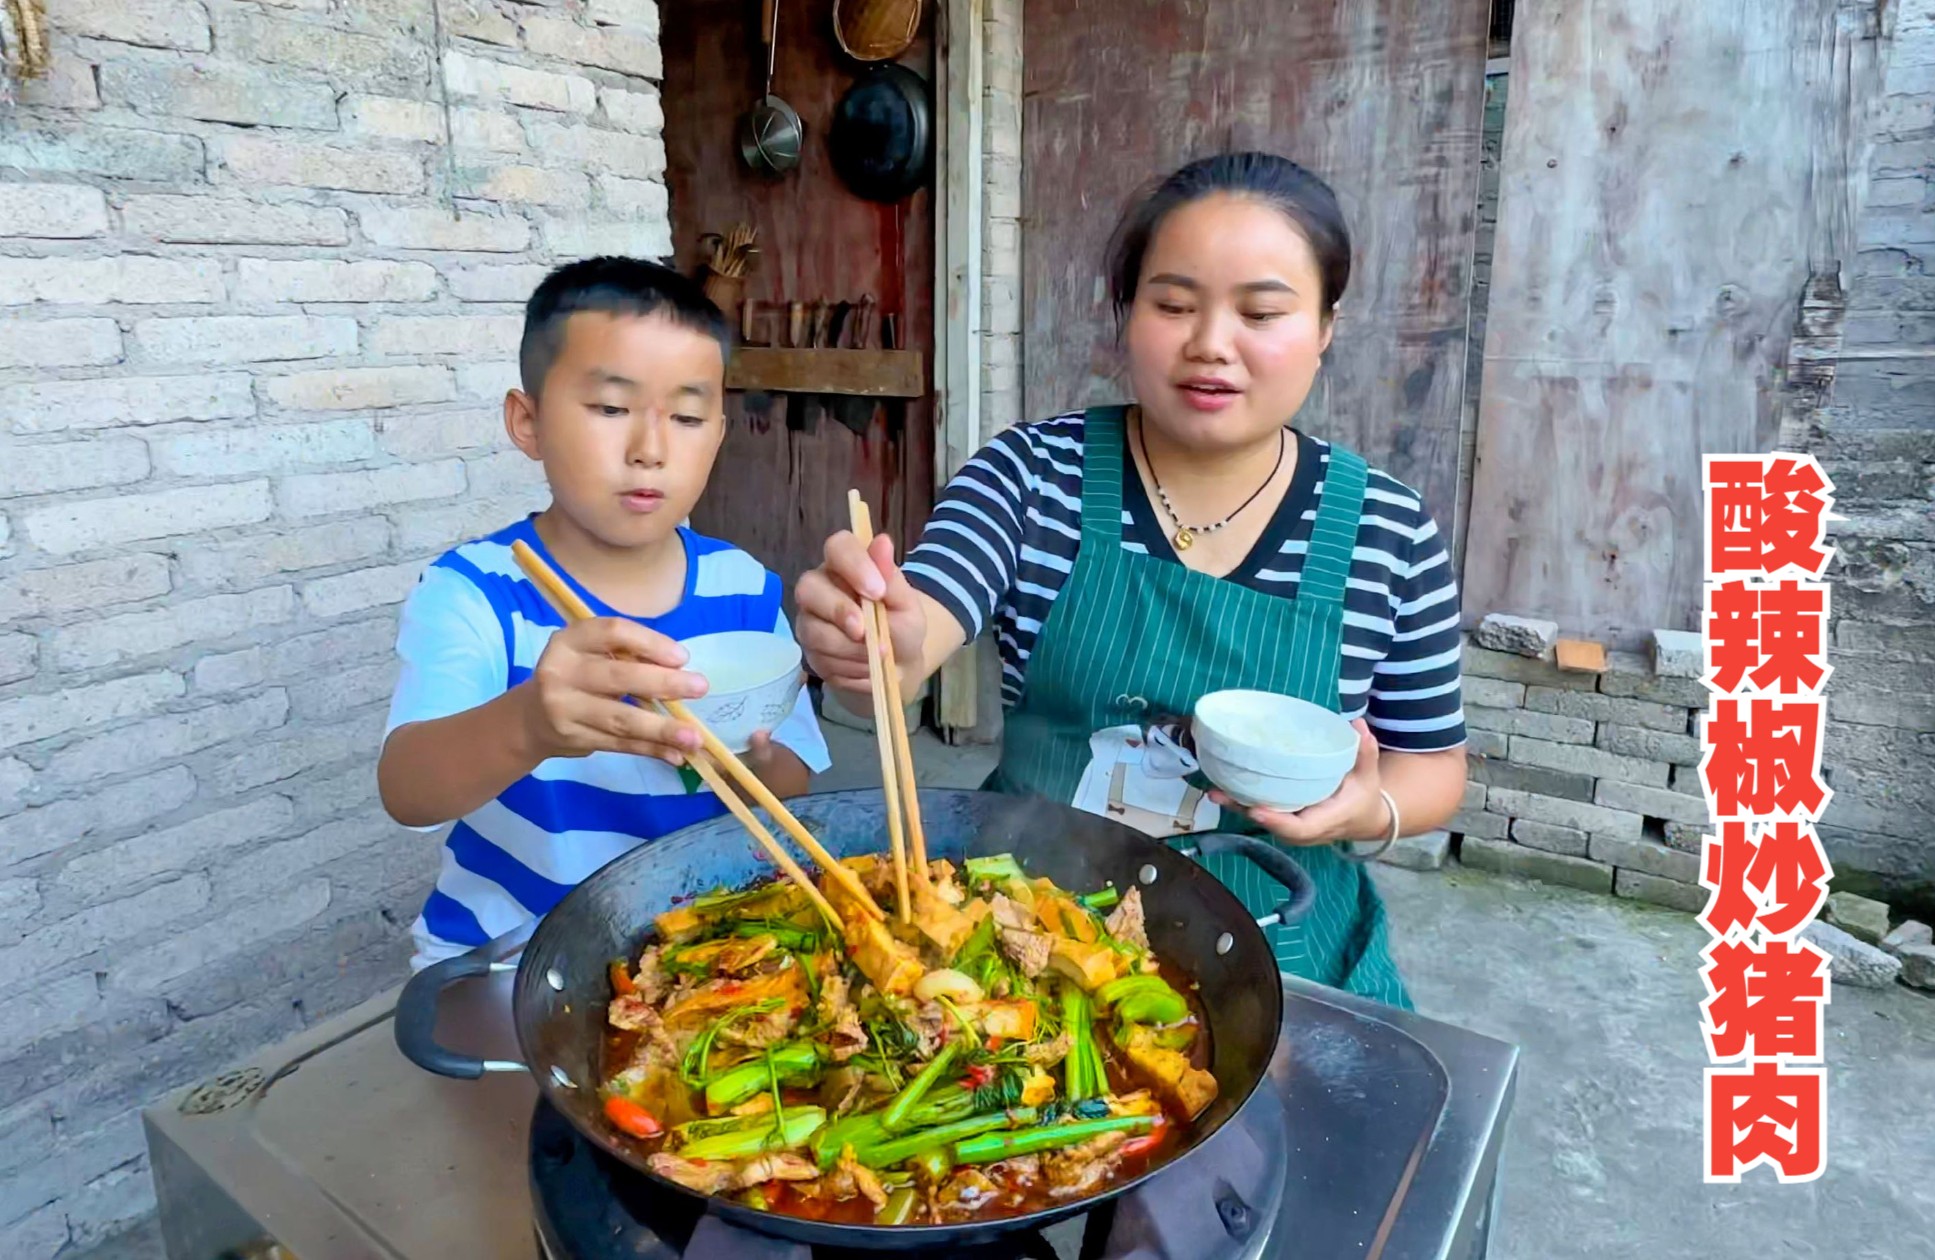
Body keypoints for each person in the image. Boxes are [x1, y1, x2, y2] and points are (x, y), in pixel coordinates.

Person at [794, 153, 1467, 1007]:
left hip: (1279, 946)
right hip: (1023, 926)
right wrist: (876, 641)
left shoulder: (1388, 529)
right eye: (1174, 305)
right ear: (1127, 315)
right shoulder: (1034, 476)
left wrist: (1370, 813)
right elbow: (922, 618)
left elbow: (1433, 764)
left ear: (1327, 325)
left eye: (1261, 311)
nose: (1211, 344)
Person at [378, 257, 829, 969]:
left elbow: (794, 782)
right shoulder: (477, 592)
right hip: (508, 957)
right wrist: (529, 724)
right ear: (527, 423)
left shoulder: (741, 586)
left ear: (717, 434)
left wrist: (755, 757)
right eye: (612, 409)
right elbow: (408, 789)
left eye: (685, 417)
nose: (649, 450)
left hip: (697, 955)